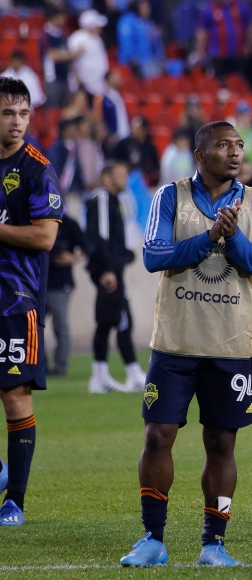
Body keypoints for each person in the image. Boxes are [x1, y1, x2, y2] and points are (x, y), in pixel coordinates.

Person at [119, 121, 252, 567]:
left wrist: (234, 238)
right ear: (200, 154)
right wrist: (209, 237)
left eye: (239, 145)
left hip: (230, 346)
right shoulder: (170, 197)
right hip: (175, 343)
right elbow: (153, 255)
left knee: (222, 443)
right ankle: (152, 539)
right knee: (158, 436)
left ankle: (214, 543)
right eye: (223, 145)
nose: (235, 152)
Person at [0, 78, 62, 526]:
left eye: (23, 113)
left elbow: (44, 237)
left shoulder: (37, 169)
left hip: (15, 303)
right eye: (8, 113)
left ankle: (15, 501)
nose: (17, 121)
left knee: (15, 397)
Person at [85, 162, 145, 394]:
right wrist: (108, 269)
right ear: (106, 177)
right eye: (120, 175)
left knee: (112, 321)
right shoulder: (102, 198)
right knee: (120, 321)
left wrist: (123, 256)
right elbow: (100, 236)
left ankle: (102, 376)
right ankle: (131, 375)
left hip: (111, 268)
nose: (124, 179)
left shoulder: (113, 201)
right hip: (108, 271)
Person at [46, 214, 83, 377]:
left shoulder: (69, 224)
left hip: (60, 284)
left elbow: (88, 247)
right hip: (38, 283)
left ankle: (60, 367)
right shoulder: (36, 219)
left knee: (60, 326)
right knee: (34, 326)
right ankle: (39, 365)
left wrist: (73, 258)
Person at [195, 0, 252, 79]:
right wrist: (200, 52)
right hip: (216, 55)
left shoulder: (241, 7)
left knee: (237, 81)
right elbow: (201, 33)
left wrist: (249, 45)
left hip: (238, 55)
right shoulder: (208, 10)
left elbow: (250, 27)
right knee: (218, 81)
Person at [68, 10, 110, 96]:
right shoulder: (77, 39)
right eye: (97, 25)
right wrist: (77, 78)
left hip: (98, 84)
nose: (100, 27)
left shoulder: (97, 39)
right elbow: (71, 61)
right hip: (84, 85)